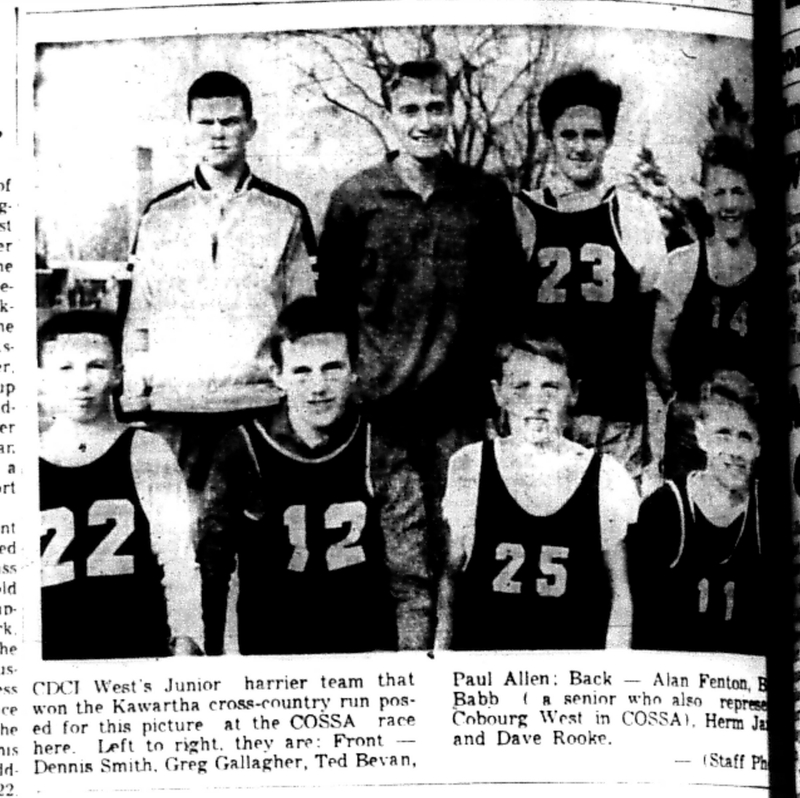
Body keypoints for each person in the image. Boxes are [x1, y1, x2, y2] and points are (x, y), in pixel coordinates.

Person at [316, 59, 525, 562]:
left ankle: (447, 642)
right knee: (395, 549)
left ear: (452, 112)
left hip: (459, 408)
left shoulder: (484, 195)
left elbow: (508, 302)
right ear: (390, 116)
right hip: (381, 408)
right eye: (410, 109)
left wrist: (496, 393)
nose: (424, 122)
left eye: (436, 108)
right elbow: (333, 309)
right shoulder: (355, 197)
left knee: (459, 546)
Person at [197, 297, 431, 655]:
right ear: (278, 375)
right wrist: (206, 668)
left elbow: (410, 581)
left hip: (365, 651)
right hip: (274, 655)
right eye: (302, 371)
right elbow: (211, 572)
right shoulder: (241, 448)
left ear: (356, 368)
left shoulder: (382, 450)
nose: (318, 386)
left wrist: (408, 669)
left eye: (332, 368)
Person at [122, 70, 316, 488]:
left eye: (230, 121)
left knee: (257, 533)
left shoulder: (285, 213)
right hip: (174, 410)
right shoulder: (159, 216)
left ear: (251, 128)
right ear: (189, 130)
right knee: (179, 536)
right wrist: (137, 398)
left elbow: (302, 322)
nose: (218, 133)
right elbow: (139, 315)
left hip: (258, 407)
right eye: (206, 123)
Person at [514, 68, 668, 484]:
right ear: (550, 137)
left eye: (593, 134)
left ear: (609, 138)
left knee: (617, 539)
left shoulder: (634, 215)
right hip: (541, 421)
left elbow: (654, 340)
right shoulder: (520, 214)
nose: (580, 147)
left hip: (616, 421)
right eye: (568, 135)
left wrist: (658, 429)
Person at [435, 336, 637, 651]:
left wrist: (612, 672)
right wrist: (442, 658)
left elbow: (620, 593)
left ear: (574, 393)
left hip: (566, 673)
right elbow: (452, 579)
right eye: (521, 387)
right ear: (498, 393)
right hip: (487, 666)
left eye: (550, 388)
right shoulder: (469, 465)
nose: (537, 403)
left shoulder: (606, 476)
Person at [38, 310, 202, 660]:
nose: (81, 382)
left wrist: (186, 636)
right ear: (42, 378)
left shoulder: (145, 449)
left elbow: (178, 557)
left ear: (117, 374)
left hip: (137, 645)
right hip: (55, 653)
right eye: (65, 368)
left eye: (96, 366)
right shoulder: (22, 462)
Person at [627, 370, 765, 655]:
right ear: (701, 436)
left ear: (758, 446)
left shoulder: (767, 513)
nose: (735, 451)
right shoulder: (663, 509)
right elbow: (641, 625)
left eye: (745, 437)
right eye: (723, 435)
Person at [652, 135, 765, 479]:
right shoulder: (683, 265)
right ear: (704, 199)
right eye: (718, 193)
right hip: (692, 434)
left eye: (738, 191)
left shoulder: (773, 269)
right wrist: (687, 407)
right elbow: (657, 349)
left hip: (750, 433)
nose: (729, 204)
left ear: (754, 198)